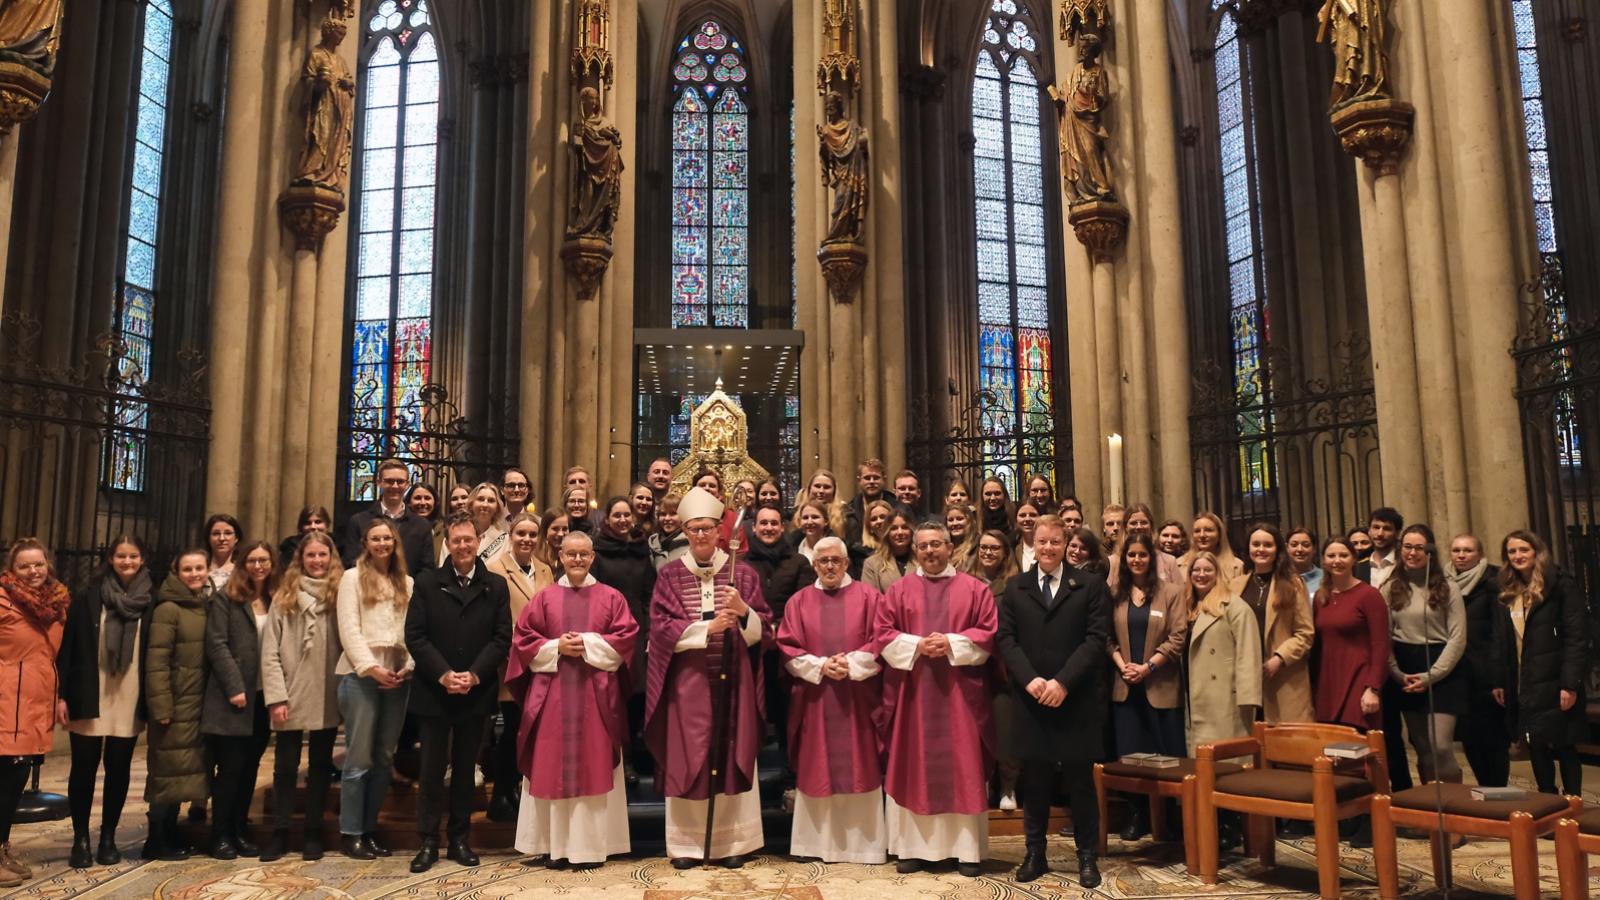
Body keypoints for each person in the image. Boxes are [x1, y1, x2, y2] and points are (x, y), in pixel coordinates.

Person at [645, 487, 773, 868]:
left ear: (721, 531)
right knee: (689, 758)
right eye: (694, 529)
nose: (701, 535)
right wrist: (706, 629)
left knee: (732, 754)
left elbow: (764, 630)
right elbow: (660, 628)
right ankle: (686, 846)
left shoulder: (743, 575)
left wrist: (743, 609)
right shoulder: (669, 576)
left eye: (708, 528)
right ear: (684, 531)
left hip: (734, 680)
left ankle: (734, 845)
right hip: (688, 686)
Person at [508, 531, 639, 869]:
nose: (578, 560)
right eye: (571, 554)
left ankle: (589, 849)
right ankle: (554, 847)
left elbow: (626, 640)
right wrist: (556, 648)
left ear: (593, 557)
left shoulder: (611, 597)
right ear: (560, 557)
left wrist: (586, 643)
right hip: (553, 697)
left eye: (584, 554)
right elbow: (523, 640)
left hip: (595, 699)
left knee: (592, 764)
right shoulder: (545, 598)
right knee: (551, 766)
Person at [877, 522, 997, 878]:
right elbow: (882, 635)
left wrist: (949, 643)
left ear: (950, 547)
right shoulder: (898, 591)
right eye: (924, 546)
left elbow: (988, 632)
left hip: (960, 697)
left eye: (937, 545)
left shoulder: (975, 589)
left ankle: (967, 852)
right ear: (915, 550)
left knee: (963, 766)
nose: (930, 551)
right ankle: (913, 850)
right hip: (914, 696)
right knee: (914, 765)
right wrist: (917, 645)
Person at [996, 515, 1105, 886]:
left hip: (1074, 700)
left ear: (1065, 544)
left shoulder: (1088, 585)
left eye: (1055, 542)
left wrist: (1063, 682)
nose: (1048, 548)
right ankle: (1035, 853)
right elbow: (1006, 640)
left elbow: (1094, 640)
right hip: (1032, 699)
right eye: (1042, 542)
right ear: (1033, 544)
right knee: (1037, 780)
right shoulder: (1016, 587)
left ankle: (1087, 857)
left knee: (1080, 781)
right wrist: (1030, 681)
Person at [405, 512, 513, 872]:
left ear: (478, 542)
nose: (464, 546)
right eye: (457, 540)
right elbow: (415, 636)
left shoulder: (495, 586)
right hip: (435, 692)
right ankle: (428, 842)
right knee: (432, 769)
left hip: (476, 692)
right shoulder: (426, 582)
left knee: (466, 771)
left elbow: (501, 638)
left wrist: (475, 675)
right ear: (447, 544)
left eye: (469, 539)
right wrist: (444, 674)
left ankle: (460, 839)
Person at [777, 536, 887, 863]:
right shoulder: (798, 602)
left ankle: (863, 848)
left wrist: (850, 664)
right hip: (816, 699)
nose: (829, 566)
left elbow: (881, 639)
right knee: (817, 767)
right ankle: (814, 845)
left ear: (846, 563)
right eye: (822, 561)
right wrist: (822, 665)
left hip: (857, 699)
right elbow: (787, 646)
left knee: (860, 765)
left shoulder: (870, 597)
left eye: (835, 561)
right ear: (814, 564)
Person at [58, 535, 154, 869]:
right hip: (90, 690)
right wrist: (62, 695)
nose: (127, 562)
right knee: (83, 769)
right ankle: (80, 838)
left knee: (118, 769)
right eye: (121, 556)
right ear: (110, 559)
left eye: (133, 556)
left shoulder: (150, 601)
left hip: (129, 693)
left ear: (142, 559)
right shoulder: (87, 597)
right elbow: (68, 648)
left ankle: (109, 836)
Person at [260, 532, 344, 862]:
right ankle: (280, 832)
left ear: (331, 557)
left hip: (326, 690)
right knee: (285, 767)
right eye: (311, 555)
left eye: (323, 555)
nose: (318, 561)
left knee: (321, 767)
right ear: (301, 559)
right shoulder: (285, 596)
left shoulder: (340, 595)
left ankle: (312, 832)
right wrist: (276, 697)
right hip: (291, 693)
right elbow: (270, 653)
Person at [336, 519, 415, 860]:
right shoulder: (351, 578)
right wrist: (371, 668)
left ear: (394, 542)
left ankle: (370, 828)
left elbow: (413, 628)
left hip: (397, 675)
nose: (382, 543)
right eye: (375, 538)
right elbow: (348, 628)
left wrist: (408, 664)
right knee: (358, 758)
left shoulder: (407, 582)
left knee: (384, 757)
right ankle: (351, 832)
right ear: (366, 543)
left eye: (387, 538)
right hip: (361, 675)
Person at [1492, 529, 1587, 796]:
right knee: (1536, 743)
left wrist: (1570, 684)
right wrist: (1500, 680)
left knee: (1564, 744)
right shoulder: (1508, 589)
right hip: (1525, 679)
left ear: (1537, 552)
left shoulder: (1559, 584)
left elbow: (1576, 637)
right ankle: (1548, 802)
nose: (1518, 556)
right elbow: (1504, 641)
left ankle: (1572, 804)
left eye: (1524, 550)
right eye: (1512, 551)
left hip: (1555, 678)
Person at [1105, 533, 1187, 842]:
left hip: (1161, 685)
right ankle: (1137, 814)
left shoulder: (1172, 592)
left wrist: (1148, 666)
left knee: (1167, 755)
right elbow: (1105, 636)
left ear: (1152, 558)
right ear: (1124, 559)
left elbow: (1178, 636)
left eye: (1142, 555)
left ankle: (1170, 818)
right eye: (1131, 555)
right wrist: (1121, 664)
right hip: (1125, 686)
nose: (1136, 560)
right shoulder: (1115, 593)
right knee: (1130, 756)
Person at [201, 541, 276, 860]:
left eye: (264, 560)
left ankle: (240, 830)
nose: (259, 566)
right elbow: (216, 644)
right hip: (234, 697)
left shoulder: (275, 599)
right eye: (253, 560)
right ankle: (220, 835)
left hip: (263, 695)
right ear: (242, 563)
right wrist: (234, 687)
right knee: (230, 768)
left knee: (250, 768)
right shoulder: (226, 598)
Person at [1182, 551, 1261, 852]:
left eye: (1207, 570)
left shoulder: (1235, 607)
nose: (1201, 575)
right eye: (1195, 571)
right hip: (1194, 695)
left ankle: (1230, 826)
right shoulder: (1187, 607)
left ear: (1218, 574)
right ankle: (1208, 824)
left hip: (1223, 701)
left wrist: (1248, 698)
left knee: (1226, 766)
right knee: (1200, 767)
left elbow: (1249, 654)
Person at [0, 539, 68, 884]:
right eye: (25, 565)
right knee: (2, 779)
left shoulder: (56, 604)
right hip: (5, 701)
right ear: (13, 569)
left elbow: (50, 656)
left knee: (15, 781)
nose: (33, 571)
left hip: (36, 701)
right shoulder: (2, 600)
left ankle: (2, 846)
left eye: (38, 564)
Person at [484, 514, 555, 820]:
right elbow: (492, 617)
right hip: (510, 661)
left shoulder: (545, 569)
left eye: (532, 534)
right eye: (521, 533)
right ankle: (500, 794)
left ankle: (516, 790)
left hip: (541, 661)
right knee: (512, 727)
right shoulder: (494, 569)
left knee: (530, 730)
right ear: (510, 535)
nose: (527, 539)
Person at [1384, 524, 1467, 785]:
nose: (1412, 552)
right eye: (1407, 546)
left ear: (1430, 551)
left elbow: (1457, 637)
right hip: (1405, 669)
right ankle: (1429, 812)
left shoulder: (1447, 587)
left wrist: (1432, 675)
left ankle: (1454, 809)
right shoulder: (1390, 587)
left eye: (1419, 547)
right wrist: (1397, 673)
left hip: (1442, 669)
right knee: (1422, 748)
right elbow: (1383, 636)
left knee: (1441, 746)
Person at [143, 548, 212, 861]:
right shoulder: (168, 608)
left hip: (194, 703)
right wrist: (161, 708)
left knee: (180, 773)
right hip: (174, 704)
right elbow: (156, 662)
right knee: (166, 773)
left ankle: (170, 833)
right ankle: (155, 839)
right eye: (188, 569)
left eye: (199, 568)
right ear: (176, 572)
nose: (195, 574)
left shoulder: (201, 604)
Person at [591, 497, 658, 786]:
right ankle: (616, 756)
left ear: (632, 519)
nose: (621, 520)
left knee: (636, 696)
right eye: (616, 515)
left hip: (638, 631)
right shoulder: (598, 552)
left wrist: (650, 631)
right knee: (612, 697)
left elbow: (649, 595)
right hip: (607, 632)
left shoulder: (642, 551)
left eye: (625, 515)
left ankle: (634, 756)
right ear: (607, 519)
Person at [1230, 524, 1314, 723]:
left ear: (1277, 549)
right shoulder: (1235, 585)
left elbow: (1305, 633)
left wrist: (1279, 658)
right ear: (1248, 548)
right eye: (1256, 544)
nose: (1261, 549)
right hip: (1245, 675)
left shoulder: (1293, 584)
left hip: (1283, 675)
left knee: (1284, 744)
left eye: (1267, 545)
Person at [1449, 533, 1509, 787]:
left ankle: (1498, 790)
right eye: (1456, 550)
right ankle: (1485, 788)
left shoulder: (1494, 581)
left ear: (1480, 554)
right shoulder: (1444, 582)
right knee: (1469, 738)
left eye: (1468, 550)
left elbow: (1500, 631)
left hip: (1487, 672)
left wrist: (1498, 676)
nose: (1461, 555)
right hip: (1459, 672)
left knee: (1494, 738)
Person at [968, 529, 1021, 810]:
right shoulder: (966, 583)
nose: (988, 553)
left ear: (1005, 552)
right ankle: (983, 785)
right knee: (976, 731)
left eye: (994, 548)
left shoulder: (1014, 585)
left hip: (1003, 668)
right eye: (983, 548)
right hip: (972, 667)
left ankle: (1008, 787)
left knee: (1005, 729)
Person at [1311, 537, 1387, 732]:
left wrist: (1373, 688)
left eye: (1343, 555)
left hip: (1359, 681)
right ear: (1324, 561)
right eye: (1331, 556)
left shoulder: (1369, 595)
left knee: (1360, 748)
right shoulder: (1320, 597)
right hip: (1327, 683)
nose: (1337, 560)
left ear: (1354, 559)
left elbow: (1381, 644)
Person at [344, 459, 437, 572]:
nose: (395, 486)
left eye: (400, 481)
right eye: (389, 481)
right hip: (369, 587)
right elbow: (351, 563)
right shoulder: (359, 521)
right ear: (379, 483)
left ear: (407, 484)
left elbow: (427, 569)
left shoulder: (422, 526)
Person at [861, 509, 915, 591]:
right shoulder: (872, 564)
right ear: (887, 533)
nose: (900, 532)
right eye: (894, 528)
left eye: (905, 527)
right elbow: (870, 599)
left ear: (912, 531)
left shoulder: (923, 560)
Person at [1180, 512, 1243, 581]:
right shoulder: (1179, 565)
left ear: (1219, 534)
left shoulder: (1237, 566)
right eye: (1197, 531)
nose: (1202, 535)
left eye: (1208, 530)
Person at [843, 459, 887, 545]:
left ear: (884, 479)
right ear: (859, 480)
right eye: (867, 478)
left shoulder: (896, 507)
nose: (871, 481)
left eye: (876, 478)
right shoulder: (849, 511)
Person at [468, 482, 509, 559]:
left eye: (491, 501)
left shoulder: (505, 541)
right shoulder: (457, 535)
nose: (485, 505)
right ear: (471, 504)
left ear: (497, 508)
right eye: (480, 499)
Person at [204, 514, 243, 594]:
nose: (222, 538)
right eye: (216, 534)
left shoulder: (242, 570)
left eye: (228, 533)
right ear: (208, 538)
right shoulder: (199, 568)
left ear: (236, 538)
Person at [649, 494, 689, 570]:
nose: (667, 518)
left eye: (673, 513)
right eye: (663, 514)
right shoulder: (654, 544)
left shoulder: (691, 542)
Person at [1364, 507, 1403, 586]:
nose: (1380, 534)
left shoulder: (1403, 562)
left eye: (1387, 529)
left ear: (1397, 533)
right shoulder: (1359, 566)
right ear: (1369, 531)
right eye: (1376, 527)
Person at [1287, 526, 1322, 603]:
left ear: (1314, 549)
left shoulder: (1326, 578)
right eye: (1294, 545)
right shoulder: (1279, 578)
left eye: (1305, 545)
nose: (1299, 549)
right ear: (1287, 548)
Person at [944, 503, 978, 570]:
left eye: (959, 519)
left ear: (969, 521)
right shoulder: (943, 546)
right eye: (950, 520)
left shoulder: (978, 545)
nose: (955, 523)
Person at [1012, 503, 1039, 572]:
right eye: (1022, 515)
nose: (1027, 519)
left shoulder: (1048, 545)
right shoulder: (1012, 547)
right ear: (1016, 520)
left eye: (1033, 515)